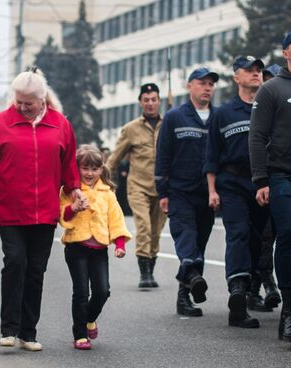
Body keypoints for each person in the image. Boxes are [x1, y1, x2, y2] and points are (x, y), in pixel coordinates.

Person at [0, 69, 82, 351]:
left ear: (42, 99)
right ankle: (9, 329)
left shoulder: (60, 125)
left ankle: (28, 333)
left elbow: (70, 164)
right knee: (16, 261)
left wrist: (75, 189)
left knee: (35, 270)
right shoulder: (0, 123)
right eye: (18, 101)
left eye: (28, 103)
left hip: (44, 212)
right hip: (10, 210)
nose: (22, 107)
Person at [250, 27, 291, 342]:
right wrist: (260, 178)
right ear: (285, 52)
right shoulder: (271, 89)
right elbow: (257, 136)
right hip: (281, 173)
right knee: (288, 234)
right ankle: (290, 312)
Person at [203, 56, 269, 328]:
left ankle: (250, 283)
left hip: (263, 183)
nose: (255, 74)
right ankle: (238, 293)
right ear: (236, 78)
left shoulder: (270, 108)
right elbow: (211, 155)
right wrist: (212, 190)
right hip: (232, 183)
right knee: (238, 233)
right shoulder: (223, 113)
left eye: (258, 71)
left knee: (257, 240)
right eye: (249, 71)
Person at [155, 67, 217, 317]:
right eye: (202, 83)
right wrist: (163, 192)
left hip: (207, 193)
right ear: (190, 86)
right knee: (187, 239)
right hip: (180, 191)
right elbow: (163, 155)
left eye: (211, 84)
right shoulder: (174, 117)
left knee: (199, 244)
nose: (207, 88)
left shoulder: (218, 117)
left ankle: (186, 294)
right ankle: (192, 277)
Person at [59, 145, 131, 350]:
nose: (89, 173)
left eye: (94, 168)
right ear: (77, 168)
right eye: (85, 168)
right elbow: (62, 215)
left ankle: (90, 319)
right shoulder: (70, 190)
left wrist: (119, 244)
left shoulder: (107, 192)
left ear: (101, 169)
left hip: (99, 249)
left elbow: (116, 218)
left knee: (102, 291)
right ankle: (80, 334)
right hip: (76, 247)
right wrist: (73, 208)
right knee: (81, 292)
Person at [106, 83, 167, 289]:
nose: (150, 103)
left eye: (154, 99)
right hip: (138, 186)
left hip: (163, 188)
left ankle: (151, 265)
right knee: (144, 227)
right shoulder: (131, 129)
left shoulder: (168, 124)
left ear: (159, 101)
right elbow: (114, 158)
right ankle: (145, 273)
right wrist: (102, 181)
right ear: (140, 102)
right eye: (146, 100)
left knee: (156, 231)